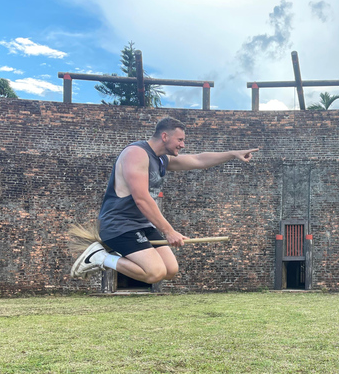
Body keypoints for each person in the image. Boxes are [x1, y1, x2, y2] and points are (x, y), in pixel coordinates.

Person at [71, 117, 258, 283]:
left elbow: (199, 160)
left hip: (141, 224)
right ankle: (101, 258)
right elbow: (142, 199)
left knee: (170, 270)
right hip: (119, 224)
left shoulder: (161, 159)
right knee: (154, 273)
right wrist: (169, 231)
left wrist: (233, 154)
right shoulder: (136, 153)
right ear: (165, 136)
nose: (183, 145)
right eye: (180, 140)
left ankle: (111, 254)